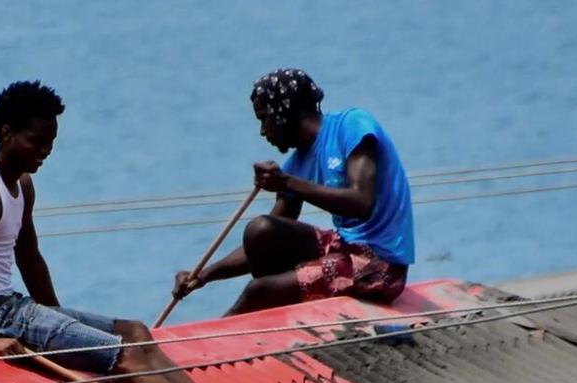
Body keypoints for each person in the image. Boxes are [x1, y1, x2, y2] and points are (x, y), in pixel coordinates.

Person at [0, 80, 299, 383]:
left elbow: (30, 256)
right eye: (37, 141)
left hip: (18, 307)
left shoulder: (22, 185)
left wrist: (55, 316)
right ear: (7, 133)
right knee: (124, 356)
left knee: (136, 331)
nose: (45, 152)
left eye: (51, 144)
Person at [173, 68, 415, 316]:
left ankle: (221, 345)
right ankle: (286, 303)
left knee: (258, 291)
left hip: (380, 265)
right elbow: (264, 239)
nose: (263, 131)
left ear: (283, 113)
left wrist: (286, 182)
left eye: (264, 119)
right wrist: (204, 275)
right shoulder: (296, 165)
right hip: (343, 248)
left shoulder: (352, 125)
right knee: (261, 231)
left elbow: (361, 202)